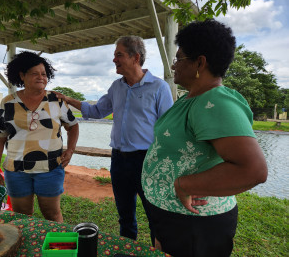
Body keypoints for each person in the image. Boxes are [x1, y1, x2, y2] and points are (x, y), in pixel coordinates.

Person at [141, 19, 268, 257]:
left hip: (194, 225)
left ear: (200, 62)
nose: (174, 64)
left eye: (179, 58)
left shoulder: (215, 102)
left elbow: (253, 170)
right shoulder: (191, 99)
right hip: (174, 218)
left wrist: (184, 184)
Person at [54, 36, 173, 242]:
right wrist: (69, 100)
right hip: (119, 160)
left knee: (156, 216)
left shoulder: (159, 88)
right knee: (125, 215)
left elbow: (168, 129)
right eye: (114, 55)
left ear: (135, 57)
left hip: (147, 161)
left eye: (119, 55)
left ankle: (158, 253)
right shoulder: (116, 87)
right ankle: (126, 250)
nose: (114, 60)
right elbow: (97, 110)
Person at [0, 51, 79, 222]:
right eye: (35, 73)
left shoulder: (56, 100)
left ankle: (58, 247)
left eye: (44, 74)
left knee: (52, 214)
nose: (41, 77)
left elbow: (73, 126)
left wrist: (71, 149)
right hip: (16, 171)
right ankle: (26, 248)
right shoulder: (8, 103)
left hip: (50, 168)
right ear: (22, 75)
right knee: (22, 216)